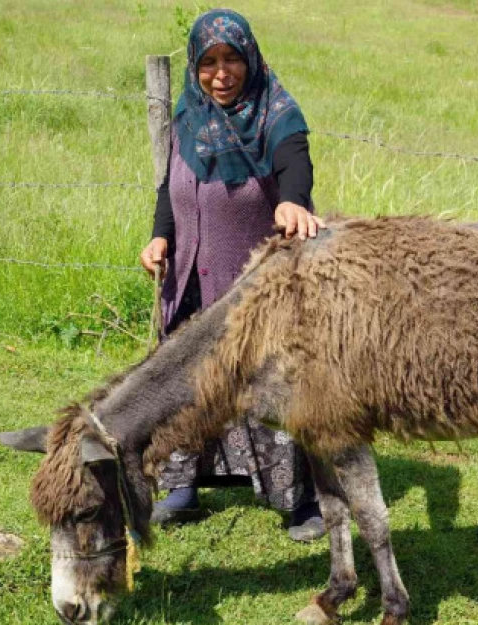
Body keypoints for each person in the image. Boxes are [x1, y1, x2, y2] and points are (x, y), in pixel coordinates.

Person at [138, 8, 326, 542]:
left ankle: (299, 499)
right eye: (209, 62)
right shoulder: (186, 119)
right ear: (195, 67)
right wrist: (159, 238)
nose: (221, 73)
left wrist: (292, 202)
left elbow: (296, 164)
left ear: (251, 59)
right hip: (190, 283)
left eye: (232, 60)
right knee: (185, 382)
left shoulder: (277, 115)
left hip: (252, 289)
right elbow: (169, 191)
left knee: (270, 386)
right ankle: (182, 487)